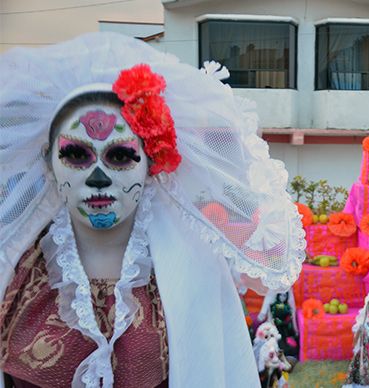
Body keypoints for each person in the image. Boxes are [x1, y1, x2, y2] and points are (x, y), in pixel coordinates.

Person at [0, 33, 305, 387]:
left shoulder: (194, 269)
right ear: (49, 163)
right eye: (77, 154)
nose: (98, 178)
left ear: (150, 164)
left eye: (120, 156)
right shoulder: (17, 270)